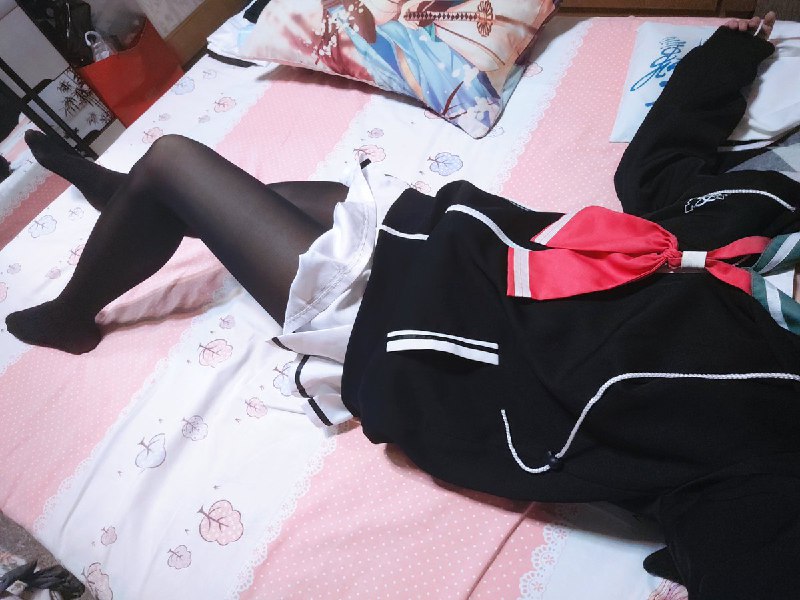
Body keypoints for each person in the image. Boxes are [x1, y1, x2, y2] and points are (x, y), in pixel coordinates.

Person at [7, 12, 800, 598]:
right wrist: (732, 53)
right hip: (463, 249)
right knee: (276, 198)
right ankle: (139, 205)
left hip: (430, 341)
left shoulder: (772, 418)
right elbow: (656, 174)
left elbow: (748, 555)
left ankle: (76, 312)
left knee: (175, 160)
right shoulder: (774, 219)